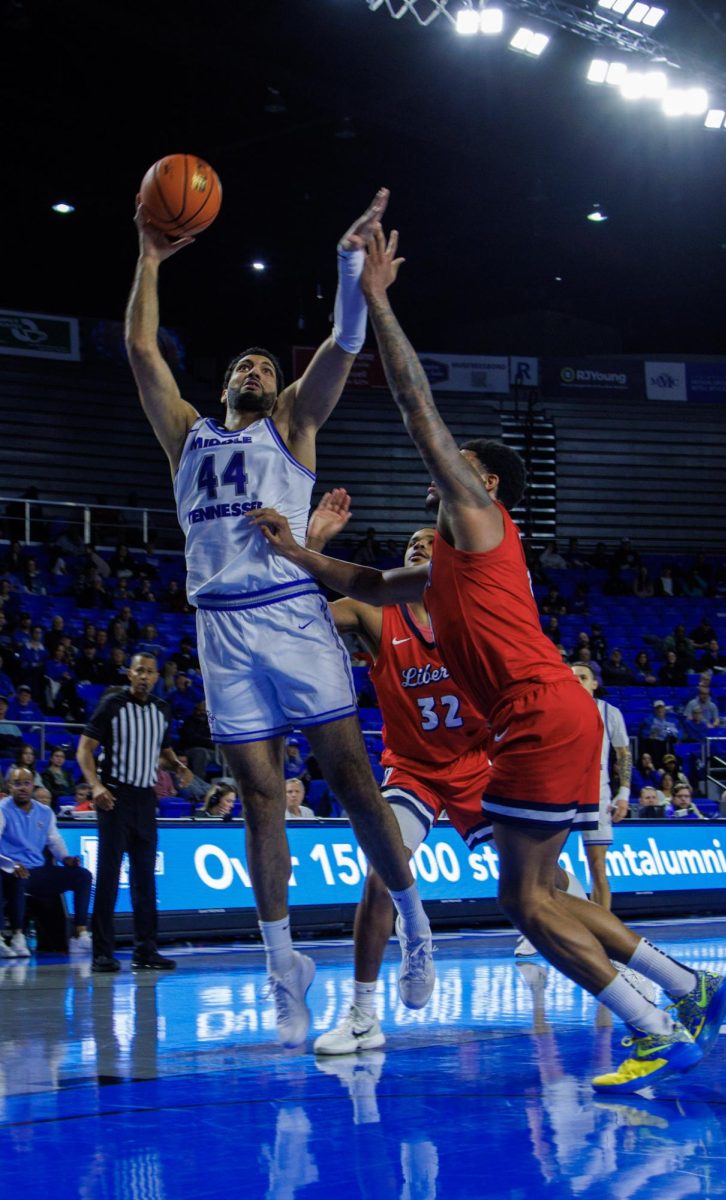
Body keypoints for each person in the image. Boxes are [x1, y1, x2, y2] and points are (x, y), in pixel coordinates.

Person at [249, 225, 726, 1093]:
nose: (444, 471)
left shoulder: (476, 520)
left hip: (533, 719)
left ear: (488, 485)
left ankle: (656, 1026)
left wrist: (379, 304)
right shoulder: (435, 574)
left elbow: (415, 408)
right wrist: (296, 552)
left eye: (462, 466)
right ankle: (687, 984)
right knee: (542, 891)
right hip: (540, 720)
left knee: (524, 902)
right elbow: (364, 578)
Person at [124, 185, 433, 1045]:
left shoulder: (293, 422)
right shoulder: (189, 435)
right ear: (225, 383)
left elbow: (345, 340)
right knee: (261, 798)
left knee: (350, 781)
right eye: (244, 365)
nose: (254, 370)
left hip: (292, 616)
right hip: (220, 628)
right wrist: (150, 258)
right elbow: (142, 349)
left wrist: (346, 263)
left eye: (265, 363)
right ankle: (281, 965)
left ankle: (411, 920)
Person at [304, 493, 587, 1050]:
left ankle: (601, 947)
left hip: (478, 764)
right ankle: (362, 1013)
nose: (417, 546)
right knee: (381, 874)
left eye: (428, 543)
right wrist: (313, 547)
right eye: (411, 544)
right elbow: (300, 617)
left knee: (544, 882)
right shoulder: (377, 613)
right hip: (412, 768)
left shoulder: (480, 614)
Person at [76, 652, 194, 973]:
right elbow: (84, 748)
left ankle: (146, 950)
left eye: (150, 672)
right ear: (129, 674)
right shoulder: (112, 705)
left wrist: (179, 766)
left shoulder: (162, 710)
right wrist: (96, 786)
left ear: (157, 676)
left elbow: (164, 751)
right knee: (109, 877)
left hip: (145, 799)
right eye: (138, 670)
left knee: (145, 880)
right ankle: (102, 952)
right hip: (114, 797)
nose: (144, 676)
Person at [0, 767, 93, 959]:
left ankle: (80, 934)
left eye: (26, 783)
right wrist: (11, 864)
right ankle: (18, 937)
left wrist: (65, 858)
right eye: (17, 784)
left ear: (33, 786)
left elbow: (54, 840)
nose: (22, 788)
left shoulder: (44, 812)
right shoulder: (2, 809)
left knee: (82, 875)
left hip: (38, 870)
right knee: (18, 877)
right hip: (9, 868)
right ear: (10, 786)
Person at [568, 663, 631, 910]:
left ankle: (603, 928)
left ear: (595, 683)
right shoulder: (556, 710)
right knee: (542, 865)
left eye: (583, 677)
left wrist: (623, 794)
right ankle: (547, 921)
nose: (578, 681)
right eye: (572, 677)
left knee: (597, 867)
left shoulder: (609, 712)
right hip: (560, 792)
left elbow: (623, 754)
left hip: (598, 793)